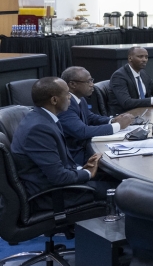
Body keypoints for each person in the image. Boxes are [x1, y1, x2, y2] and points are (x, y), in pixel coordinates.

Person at [11, 77, 106, 210]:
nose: (70, 98)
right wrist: (88, 173)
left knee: (108, 176)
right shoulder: (39, 129)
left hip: (57, 185)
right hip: (52, 195)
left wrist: (81, 169)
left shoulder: (43, 118)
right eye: (67, 94)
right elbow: (59, 177)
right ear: (54, 100)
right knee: (120, 188)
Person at [58, 66, 134, 165]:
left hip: (85, 149)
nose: (92, 85)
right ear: (72, 84)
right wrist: (118, 126)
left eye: (92, 80)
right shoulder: (66, 104)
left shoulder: (80, 98)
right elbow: (82, 131)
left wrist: (112, 120)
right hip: (75, 157)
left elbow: (90, 117)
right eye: (88, 82)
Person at [108, 46, 153, 114]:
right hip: (124, 116)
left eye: (146, 57)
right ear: (130, 58)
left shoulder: (143, 74)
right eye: (140, 57)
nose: (144, 60)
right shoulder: (119, 76)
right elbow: (126, 103)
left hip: (143, 112)